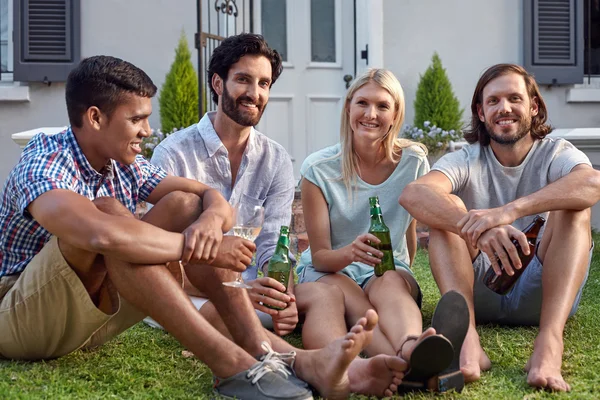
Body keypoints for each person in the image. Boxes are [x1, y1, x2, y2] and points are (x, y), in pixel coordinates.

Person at [0, 55, 391, 400]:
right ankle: (231, 365)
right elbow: (98, 235)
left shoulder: (123, 163)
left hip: (87, 320)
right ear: (95, 118)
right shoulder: (46, 162)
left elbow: (209, 198)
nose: (147, 130)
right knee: (109, 214)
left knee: (185, 205)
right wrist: (198, 248)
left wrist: (206, 222)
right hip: (22, 319)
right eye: (136, 119)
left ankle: (300, 362)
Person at [150, 34, 409, 398]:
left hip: (256, 291)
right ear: (217, 82)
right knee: (216, 311)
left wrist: (282, 293)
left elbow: (277, 244)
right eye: (243, 79)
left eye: (264, 83)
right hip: (193, 293)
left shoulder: (274, 159)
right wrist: (238, 290)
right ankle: (312, 364)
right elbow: (156, 256)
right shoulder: (174, 154)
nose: (254, 93)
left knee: (324, 294)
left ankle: (335, 363)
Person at [399, 63, 600, 392]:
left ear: (533, 107)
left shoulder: (556, 153)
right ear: (480, 112)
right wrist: (477, 226)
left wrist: (505, 213)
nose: (504, 108)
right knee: (447, 210)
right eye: (493, 101)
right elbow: (414, 194)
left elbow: (592, 183)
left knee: (575, 207)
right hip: (478, 291)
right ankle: (468, 340)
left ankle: (549, 344)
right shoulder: (466, 158)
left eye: (514, 98)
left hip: (544, 291)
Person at [297, 68, 467, 391]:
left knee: (389, 278)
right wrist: (350, 253)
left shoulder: (414, 162)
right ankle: (401, 366)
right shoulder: (317, 170)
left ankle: (411, 346)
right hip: (331, 270)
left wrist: (400, 271)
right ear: (348, 108)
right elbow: (319, 257)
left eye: (382, 106)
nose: (370, 114)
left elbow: (410, 236)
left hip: (382, 271)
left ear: (395, 115)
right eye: (362, 103)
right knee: (339, 290)